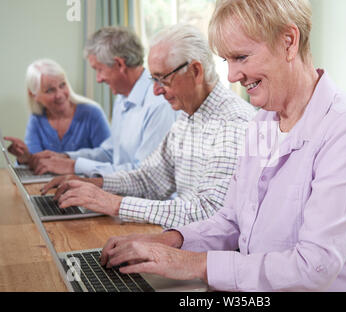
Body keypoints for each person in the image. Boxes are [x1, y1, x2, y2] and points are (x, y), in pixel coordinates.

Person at [98, 0, 346, 292]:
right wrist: (169, 240)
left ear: (288, 42)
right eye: (227, 60)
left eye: (241, 57)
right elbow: (232, 220)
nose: (232, 75)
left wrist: (193, 264)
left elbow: (313, 267)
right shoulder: (262, 124)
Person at [42, 24, 256, 228]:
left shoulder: (233, 124)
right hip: (181, 236)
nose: (155, 91)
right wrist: (95, 185)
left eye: (162, 79)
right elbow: (151, 178)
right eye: (153, 80)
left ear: (195, 71)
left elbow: (208, 212)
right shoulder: (188, 113)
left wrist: (114, 204)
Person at [29, 26, 178, 177]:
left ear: (120, 64)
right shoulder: (122, 97)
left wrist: (75, 166)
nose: (98, 79)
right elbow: (110, 152)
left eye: (99, 70)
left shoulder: (158, 104)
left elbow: (145, 175)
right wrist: (66, 158)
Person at [4, 58, 110, 165]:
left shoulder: (92, 113)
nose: (59, 95)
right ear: (34, 95)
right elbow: (35, 163)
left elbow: (109, 156)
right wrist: (25, 158)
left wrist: (65, 159)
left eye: (62, 85)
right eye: (50, 90)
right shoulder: (37, 119)